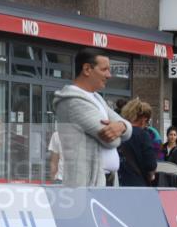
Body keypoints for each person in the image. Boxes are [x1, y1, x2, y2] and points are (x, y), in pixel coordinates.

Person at [53, 48, 131, 187]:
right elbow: (110, 141)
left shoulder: (97, 98)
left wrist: (122, 126)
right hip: (86, 184)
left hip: (107, 181)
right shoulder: (72, 101)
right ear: (87, 69)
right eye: (104, 69)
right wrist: (121, 128)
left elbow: (128, 128)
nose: (109, 75)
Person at [117, 99, 158, 187]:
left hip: (117, 183)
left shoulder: (117, 132)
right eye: (147, 121)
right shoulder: (143, 135)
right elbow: (151, 165)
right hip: (137, 185)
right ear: (144, 119)